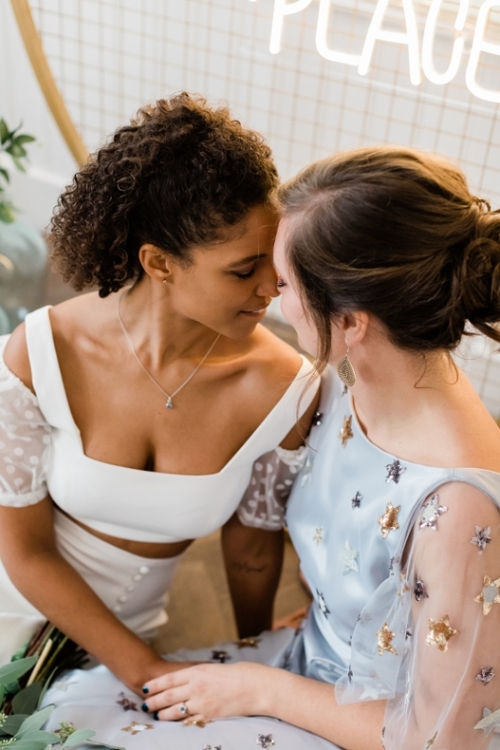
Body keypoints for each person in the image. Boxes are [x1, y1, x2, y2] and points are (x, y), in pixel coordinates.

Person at [43, 146, 500, 750]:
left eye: (283, 283)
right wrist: (345, 621)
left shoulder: (458, 507)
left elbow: (439, 742)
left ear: (353, 320)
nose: (270, 300)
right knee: (66, 712)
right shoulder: (351, 384)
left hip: (370, 728)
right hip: (309, 662)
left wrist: (262, 691)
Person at [0, 94, 320, 689]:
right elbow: (25, 552)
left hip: (134, 631)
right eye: (242, 269)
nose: (270, 288)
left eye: (273, 263)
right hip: (15, 598)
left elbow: (251, 549)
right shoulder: (41, 352)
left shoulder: (284, 389)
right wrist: (143, 668)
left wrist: (252, 654)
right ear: (160, 262)